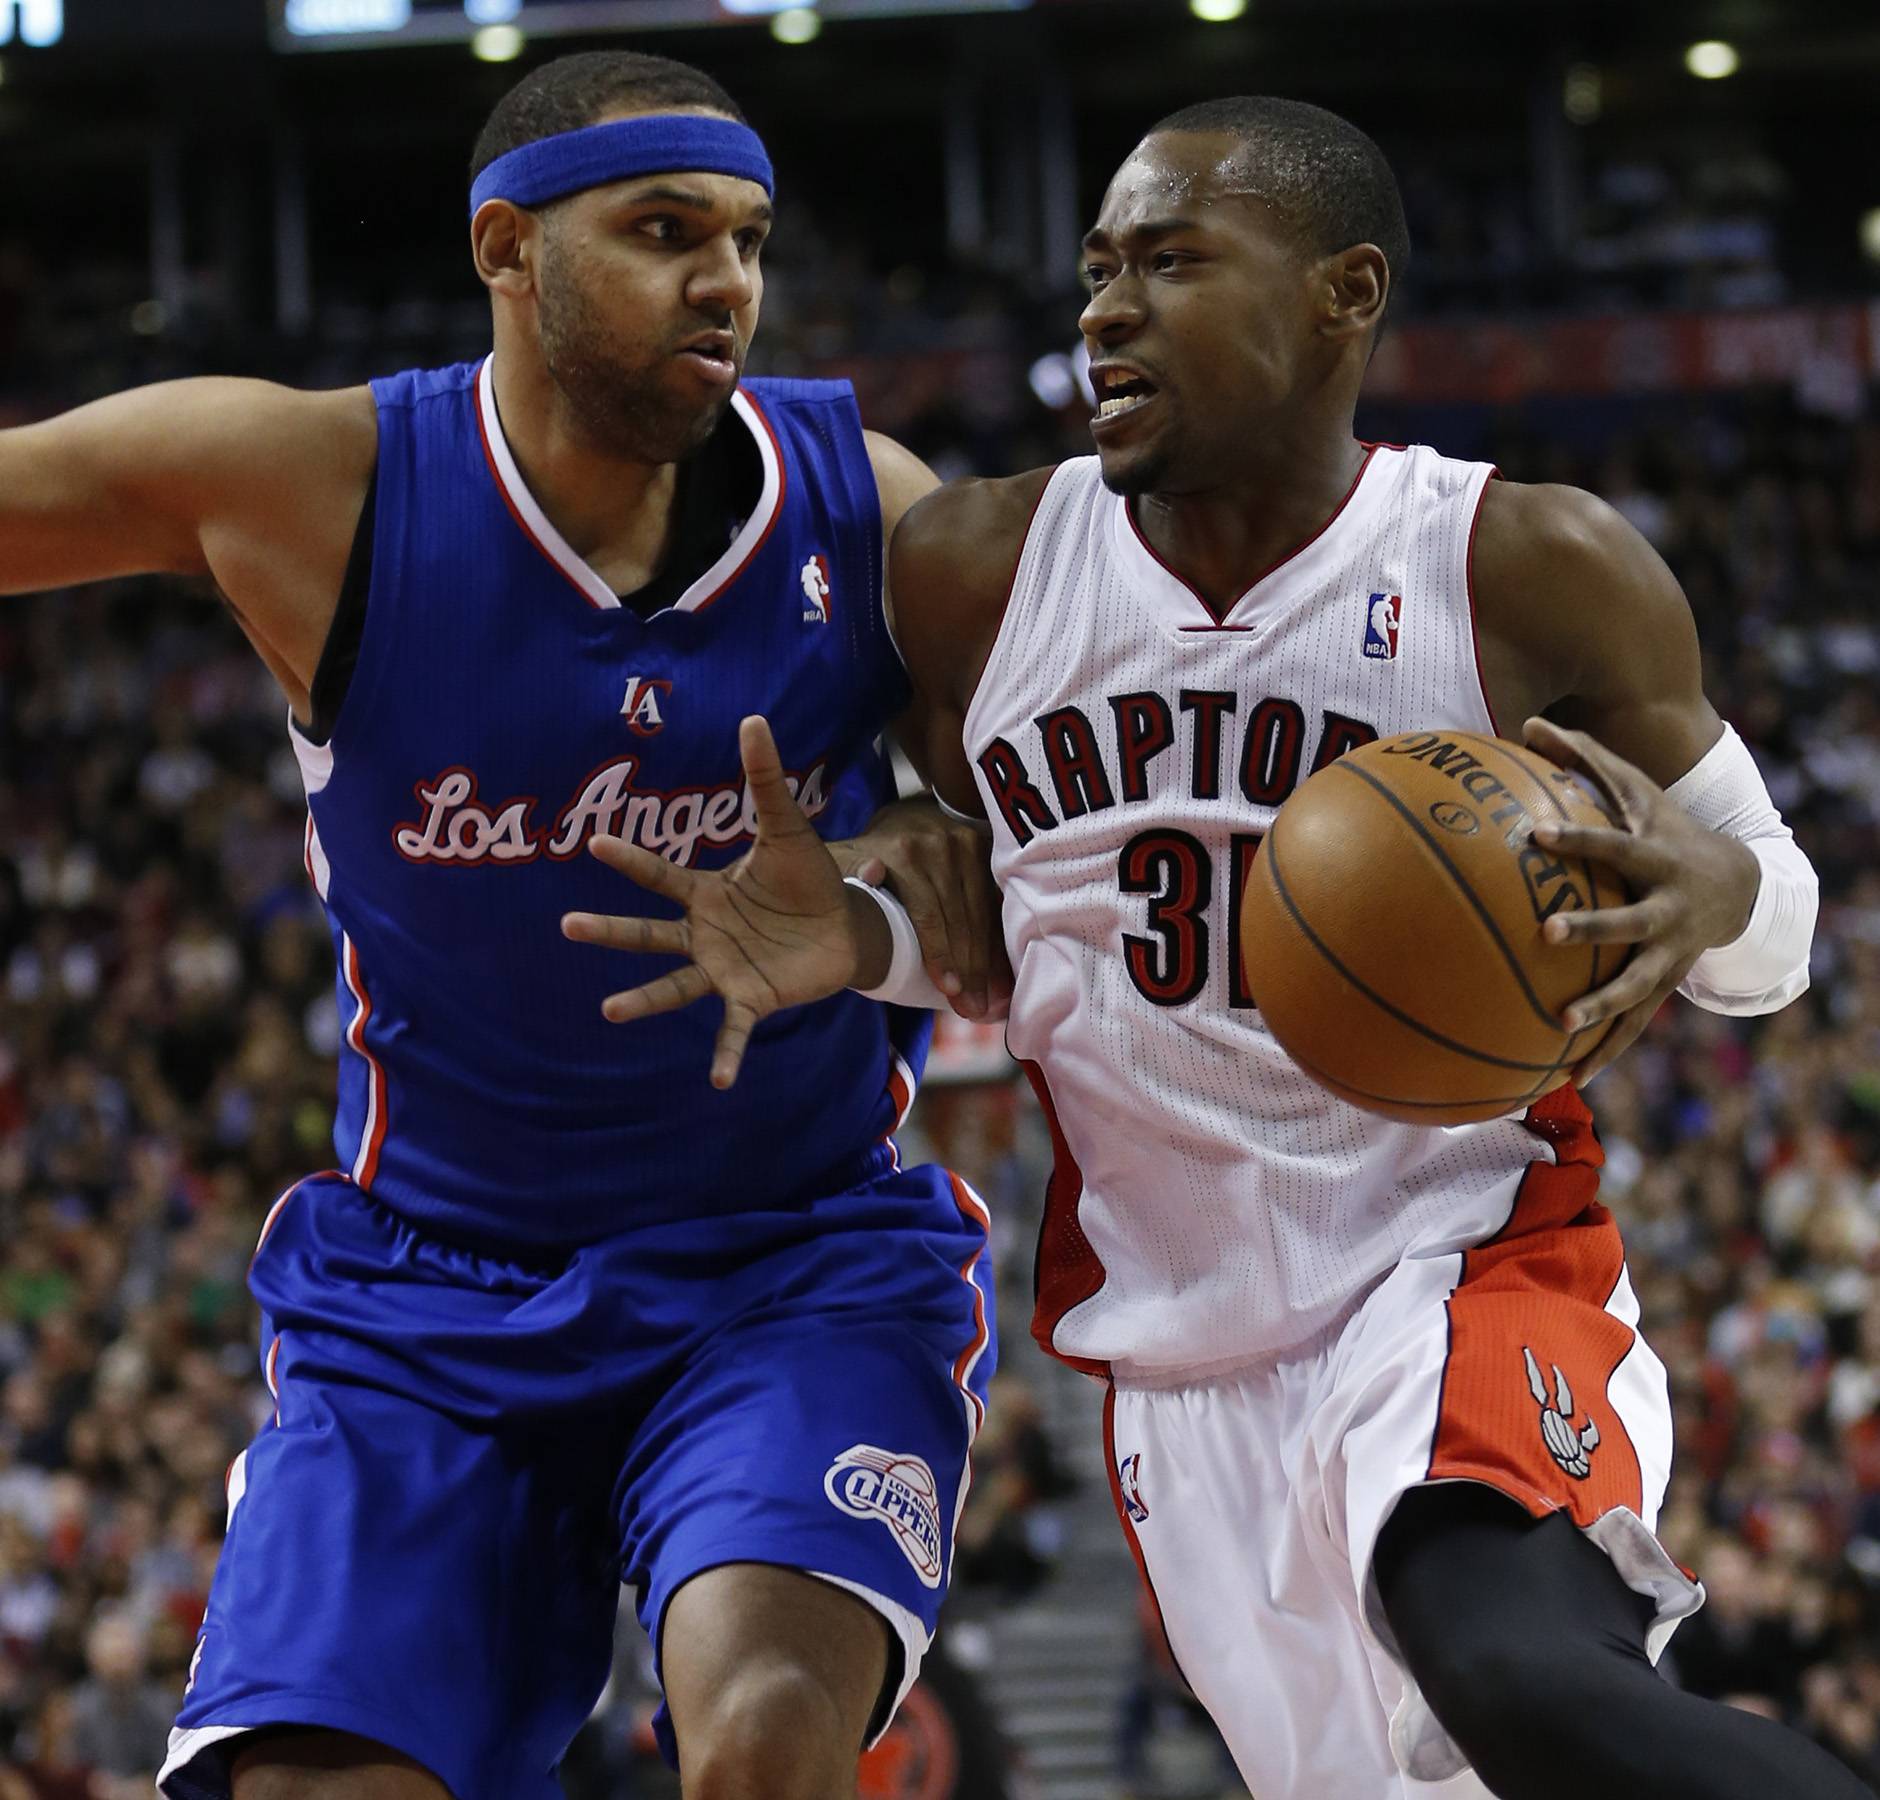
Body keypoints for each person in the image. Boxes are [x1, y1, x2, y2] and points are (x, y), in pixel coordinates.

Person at [573, 98, 1867, 1799]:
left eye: (1172, 263)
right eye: (1097, 269)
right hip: (1180, 1369)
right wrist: (869, 926)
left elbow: (1770, 932)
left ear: (1345, 293)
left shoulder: (1525, 566)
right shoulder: (969, 578)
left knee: (1518, 1670)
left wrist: (1722, 903)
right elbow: (1001, 929)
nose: (1105, 307)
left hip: (1458, 1263)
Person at [0, 49, 1005, 1800]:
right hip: (431, 1298)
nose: (728, 282)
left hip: (790, 1263)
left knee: (764, 1736)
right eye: (665, 230)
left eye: (751, 240)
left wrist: (856, 916)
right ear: (507, 249)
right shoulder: (322, 487)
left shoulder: (873, 507)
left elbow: (1016, 910)